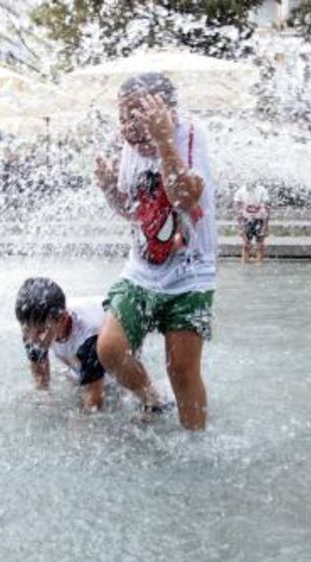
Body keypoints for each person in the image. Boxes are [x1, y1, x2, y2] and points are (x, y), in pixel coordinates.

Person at [93, 72, 216, 431]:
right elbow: (133, 213)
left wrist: (164, 140)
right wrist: (109, 191)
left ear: (166, 112)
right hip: (142, 269)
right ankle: (151, 397)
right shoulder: (131, 149)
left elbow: (185, 198)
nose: (128, 128)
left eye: (138, 116)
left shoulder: (189, 135)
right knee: (110, 350)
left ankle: (196, 447)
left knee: (181, 369)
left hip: (190, 271)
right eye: (122, 118)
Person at [15, 277, 107, 411]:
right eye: (27, 329)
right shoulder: (33, 323)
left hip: (115, 332)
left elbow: (93, 403)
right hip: (81, 341)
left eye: (41, 332)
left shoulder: (89, 335)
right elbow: (39, 372)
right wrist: (44, 395)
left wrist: (84, 421)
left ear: (63, 319)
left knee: (109, 387)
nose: (33, 339)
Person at [233, 182, 270, 263]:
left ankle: (259, 264)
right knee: (245, 244)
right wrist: (240, 227)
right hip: (246, 219)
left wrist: (265, 226)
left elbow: (267, 208)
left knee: (260, 245)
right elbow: (237, 210)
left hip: (259, 219)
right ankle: (244, 263)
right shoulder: (240, 191)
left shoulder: (262, 190)